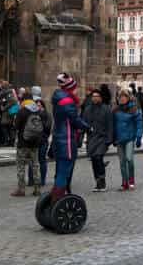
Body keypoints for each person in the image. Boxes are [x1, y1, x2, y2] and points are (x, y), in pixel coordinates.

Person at [50, 73, 90, 202]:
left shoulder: (60, 97)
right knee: (63, 171)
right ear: (70, 88)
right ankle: (57, 199)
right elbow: (75, 119)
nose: (77, 90)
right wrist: (88, 128)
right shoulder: (66, 100)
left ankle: (55, 197)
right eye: (75, 88)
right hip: (66, 140)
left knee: (61, 170)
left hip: (59, 137)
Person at [81, 89, 113, 192]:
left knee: (98, 156)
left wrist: (109, 139)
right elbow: (83, 124)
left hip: (103, 138)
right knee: (94, 160)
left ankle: (102, 180)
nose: (94, 98)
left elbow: (110, 125)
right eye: (93, 96)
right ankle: (97, 181)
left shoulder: (107, 109)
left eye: (97, 96)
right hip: (91, 138)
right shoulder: (87, 110)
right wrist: (81, 138)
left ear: (100, 98)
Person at [113, 88, 143, 191]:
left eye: (124, 96)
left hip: (130, 138)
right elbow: (112, 125)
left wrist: (139, 137)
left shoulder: (134, 109)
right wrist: (112, 137)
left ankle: (131, 180)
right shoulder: (115, 110)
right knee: (122, 162)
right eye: (120, 97)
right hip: (119, 139)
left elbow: (139, 123)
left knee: (129, 159)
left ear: (128, 98)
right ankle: (124, 182)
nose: (122, 98)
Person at [29, 87, 51, 190]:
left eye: (39, 105)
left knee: (41, 160)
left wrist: (39, 119)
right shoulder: (31, 115)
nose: (38, 107)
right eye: (36, 105)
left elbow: (47, 127)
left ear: (42, 106)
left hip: (42, 140)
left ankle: (42, 179)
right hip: (32, 140)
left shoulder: (46, 115)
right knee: (31, 160)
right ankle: (30, 180)